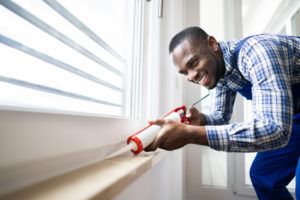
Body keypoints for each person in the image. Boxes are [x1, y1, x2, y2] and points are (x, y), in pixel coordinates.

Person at [145, 26, 300, 200]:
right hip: (292, 115)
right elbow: (221, 116)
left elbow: (275, 129)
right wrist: (202, 120)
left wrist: (191, 135)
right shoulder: (219, 72)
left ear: (212, 44)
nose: (191, 76)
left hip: (282, 121)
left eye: (193, 63)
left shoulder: (257, 52)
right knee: (264, 176)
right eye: (184, 73)